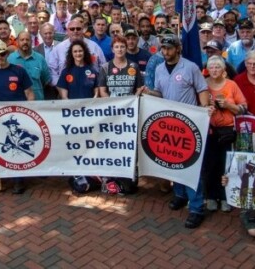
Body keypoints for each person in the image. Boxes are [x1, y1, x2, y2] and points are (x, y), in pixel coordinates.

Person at [143, 34, 210, 229]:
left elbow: (202, 90)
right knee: (173, 160)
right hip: (169, 123)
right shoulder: (159, 68)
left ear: (178, 49)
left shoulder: (190, 67)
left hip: (188, 124)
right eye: (163, 48)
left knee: (191, 164)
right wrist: (148, 93)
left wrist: (205, 111)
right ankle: (179, 194)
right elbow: (159, 93)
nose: (165, 52)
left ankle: (196, 207)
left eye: (169, 48)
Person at [0, 39, 35, 194]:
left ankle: (18, 180)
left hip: (17, 117)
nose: (0, 57)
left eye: (2, 53)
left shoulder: (19, 70)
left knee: (16, 148)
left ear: (7, 54)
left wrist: (28, 114)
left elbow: (30, 93)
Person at [97, 35, 142, 195]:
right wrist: (115, 106)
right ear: (112, 49)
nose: (120, 49)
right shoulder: (105, 67)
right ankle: (111, 179)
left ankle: (129, 177)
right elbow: (102, 90)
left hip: (130, 116)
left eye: (122, 46)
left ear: (126, 48)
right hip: (112, 115)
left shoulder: (133, 66)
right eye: (117, 47)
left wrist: (130, 102)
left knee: (129, 146)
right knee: (113, 145)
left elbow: (139, 88)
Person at [204, 55, 247, 212]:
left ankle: (225, 196)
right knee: (210, 164)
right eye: (212, 67)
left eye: (217, 67)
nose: (214, 70)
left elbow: (243, 107)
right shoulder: (203, 85)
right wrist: (205, 108)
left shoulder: (231, 85)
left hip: (227, 131)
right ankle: (210, 196)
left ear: (223, 70)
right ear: (207, 69)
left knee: (227, 165)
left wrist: (229, 105)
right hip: (209, 131)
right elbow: (195, 105)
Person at [8, 31, 51, 101]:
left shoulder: (40, 58)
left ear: (31, 41)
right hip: (17, 104)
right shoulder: (10, 59)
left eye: (27, 40)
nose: (25, 42)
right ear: (17, 42)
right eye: (22, 40)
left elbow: (45, 81)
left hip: (38, 103)